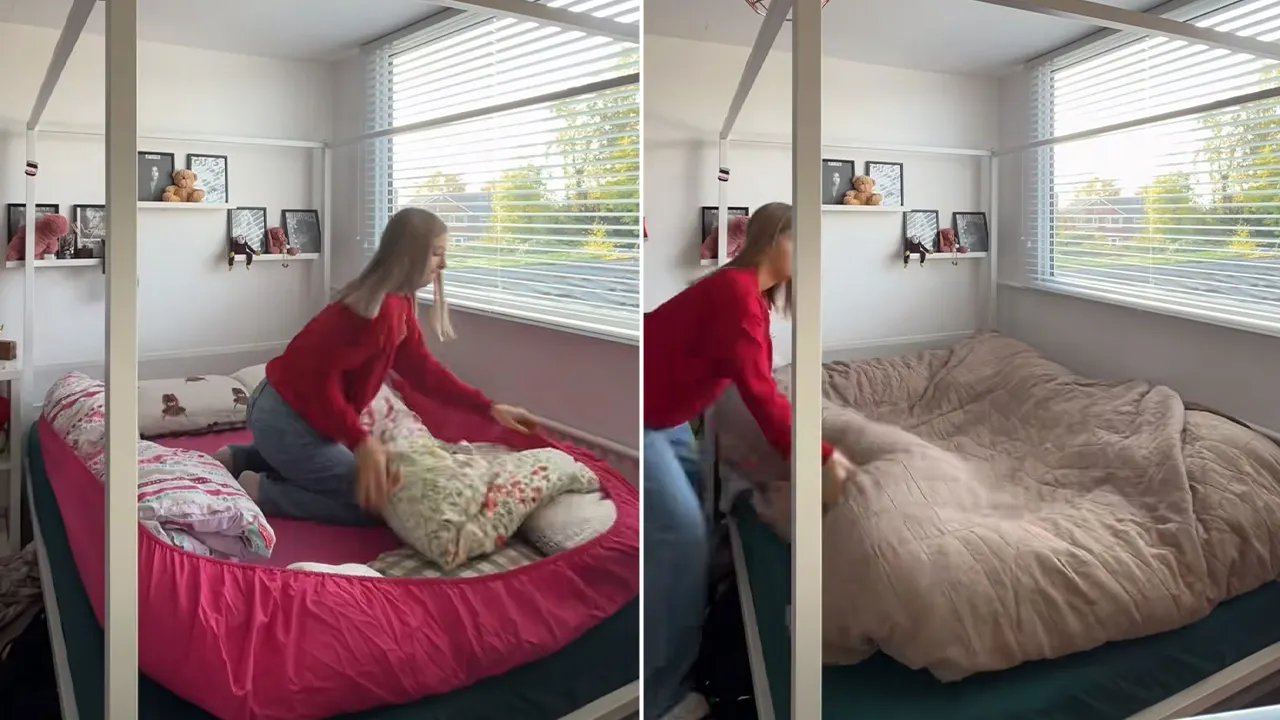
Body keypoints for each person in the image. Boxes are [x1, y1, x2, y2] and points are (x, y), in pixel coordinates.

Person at [643, 201, 857, 719]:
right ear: (778, 240)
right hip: (643, 409)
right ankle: (662, 696)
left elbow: (751, 380)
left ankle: (690, 615)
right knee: (679, 535)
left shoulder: (748, 297)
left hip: (667, 414)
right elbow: (762, 396)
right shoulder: (736, 295)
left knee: (696, 516)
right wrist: (822, 458)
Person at [214, 208, 538, 525]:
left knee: (372, 480)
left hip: (300, 416)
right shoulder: (375, 312)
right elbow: (318, 382)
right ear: (411, 255)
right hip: (287, 416)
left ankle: (242, 458)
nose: (445, 264)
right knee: (376, 503)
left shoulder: (401, 302)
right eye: (438, 254)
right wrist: (362, 442)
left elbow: (424, 372)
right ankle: (263, 493)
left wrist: (489, 408)